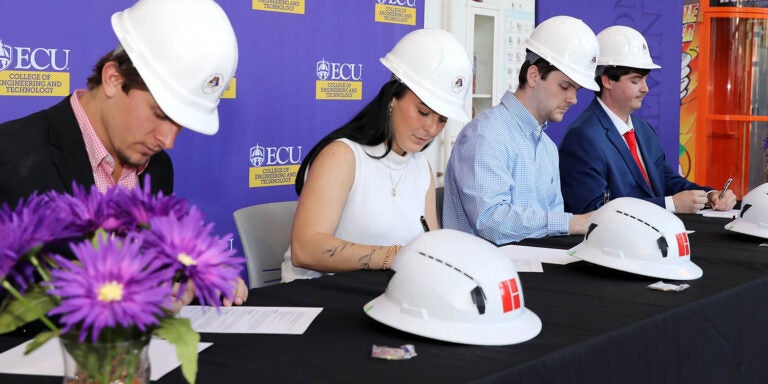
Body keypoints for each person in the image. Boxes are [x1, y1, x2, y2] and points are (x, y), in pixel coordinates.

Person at [0, 0, 247, 306]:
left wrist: (194, 278)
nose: (168, 140)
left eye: (180, 125)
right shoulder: (8, 156)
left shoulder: (158, 168)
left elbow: (153, 273)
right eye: (159, 114)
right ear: (113, 79)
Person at [282, 28, 472, 282]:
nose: (431, 129)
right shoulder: (342, 156)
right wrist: (394, 256)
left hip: (386, 295)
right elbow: (305, 249)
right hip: (321, 298)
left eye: (442, 120)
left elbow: (429, 247)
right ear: (392, 98)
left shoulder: (421, 167)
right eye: (423, 112)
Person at [442, 15, 598, 245]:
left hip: (534, 270)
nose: (573, 99)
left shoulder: (548, 148)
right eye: (565, 86)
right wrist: (570, 222)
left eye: (577, 90)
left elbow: (551, 231)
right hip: (483, 273)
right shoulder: (486, 134)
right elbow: (490, 221)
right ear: (533, 75)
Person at [558, 25, 737, 214]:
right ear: (607, 81)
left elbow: (668, 181)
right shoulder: (582, 137)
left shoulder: (643, 129)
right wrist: (671, 205)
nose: (645, 88)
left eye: (644, 80)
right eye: (635, 81)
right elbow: (592, 210)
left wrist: (710, 195)